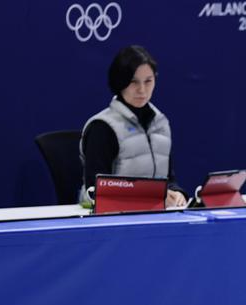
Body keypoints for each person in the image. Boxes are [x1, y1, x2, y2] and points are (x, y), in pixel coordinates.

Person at [79, 45, 187, 207]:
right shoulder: (102, 127)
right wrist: (149, 198)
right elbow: (95, 192)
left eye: (148, 81)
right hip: (110, 219)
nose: (142, 90)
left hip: (153, 214)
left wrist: (176, 193)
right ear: (119, 82)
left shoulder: (160, 123)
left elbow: (167, 179)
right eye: (133, 81)